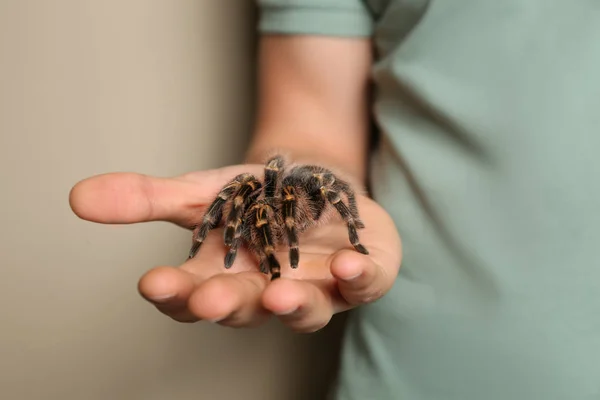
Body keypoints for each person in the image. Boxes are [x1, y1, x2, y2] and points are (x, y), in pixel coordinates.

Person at [69, 1, 600, 399]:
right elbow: (311, 128)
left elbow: (323, 184)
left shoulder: (311, 195)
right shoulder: (261, 200)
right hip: (422, 373)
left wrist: (338, 221)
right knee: (251, 194)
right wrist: (236, 250)